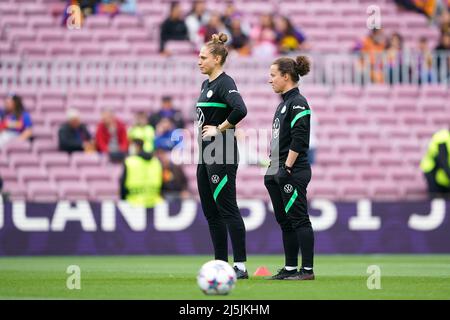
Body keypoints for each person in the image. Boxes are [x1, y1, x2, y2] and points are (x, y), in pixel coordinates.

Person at [196, 32, 248, 279]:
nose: (199, 61)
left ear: (217, 59)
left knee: (228, 209)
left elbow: (241, 109)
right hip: (205, 154)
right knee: (211, 212)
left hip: (222, 152)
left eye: (203, 57)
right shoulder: (206, 84)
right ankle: (220, 264)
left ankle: (240, 266)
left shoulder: (225, 82)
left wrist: (220, 128)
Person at [264, 55, 315, 280]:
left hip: (292, 171)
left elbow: (300, 139)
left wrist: (286, 167)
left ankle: (307, 271)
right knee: (285, 221)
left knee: (299, 219)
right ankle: (290, 268)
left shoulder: (298, 102)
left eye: (273, 75)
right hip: (278, 170)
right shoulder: (283, 104)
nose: (270, 80)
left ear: (286, 76)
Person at [120, 138, 163, 208]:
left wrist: (123, 201)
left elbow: (123, 184)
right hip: (155, 203)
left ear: (137, 147)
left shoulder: (129, 162)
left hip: (133, 204)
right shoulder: (156, 162)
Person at [420, 127, 450, 197]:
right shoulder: (443, 136)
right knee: (436, 198)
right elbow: (442, 160)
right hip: (432, 169)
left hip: (443, 173)